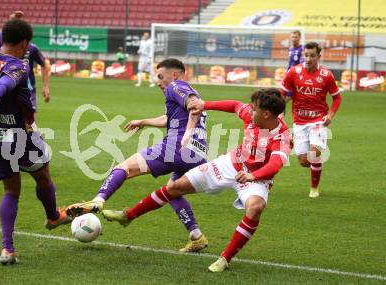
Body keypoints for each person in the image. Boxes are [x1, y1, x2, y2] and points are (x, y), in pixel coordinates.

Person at [101, 88, 292, 272]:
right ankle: (129, 216)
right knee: (175, 187)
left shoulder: (283, 137)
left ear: (266, 114)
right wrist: (204, 104)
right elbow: (235, 105)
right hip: (230, 164)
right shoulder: (250, 116)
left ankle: (225, 258)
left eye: (254, 108)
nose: (249, 110)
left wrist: (253, 176)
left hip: (256, 178)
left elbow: (274, 165)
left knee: (255, 207)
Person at [67, 58, 209, 252]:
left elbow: (194, 105)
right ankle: (196, 235)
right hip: (198, 153)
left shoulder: (175, 86)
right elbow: (170, 117)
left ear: (174, 75)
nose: (158, 81)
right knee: (173, 191)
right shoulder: (186, 90)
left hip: (176, 147)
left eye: (160, 76)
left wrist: (187, 132)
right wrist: (143, 121)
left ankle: (98, 200)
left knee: (124, 168)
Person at [0, 18, 70, 266]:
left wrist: (10, 21)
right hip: (20, 135)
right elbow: (5, 84)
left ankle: (7, 249)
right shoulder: (19, 66)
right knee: (43, 176)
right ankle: (53, 217)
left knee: (11, 190)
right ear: (25, 42)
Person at [280, 42, 342, 198]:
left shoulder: (326, 75)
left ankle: (314, 189)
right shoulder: (293, 72)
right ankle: (316, 163)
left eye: (312, 56)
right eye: (306, 55)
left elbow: (337, 98)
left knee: (313, 155)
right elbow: (282, 95)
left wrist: (330, 116)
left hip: (318, 121)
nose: (308, 59)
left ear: (318, 57)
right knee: (303, 161)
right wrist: (280, 114)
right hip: (299, 122)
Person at [0, 11, 51, 107]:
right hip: (7, 93)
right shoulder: (3, 49)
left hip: (27, 94)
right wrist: (11, 26)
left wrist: (45, 87)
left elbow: (45, 64)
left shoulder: (32, 49)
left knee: (26, 121)